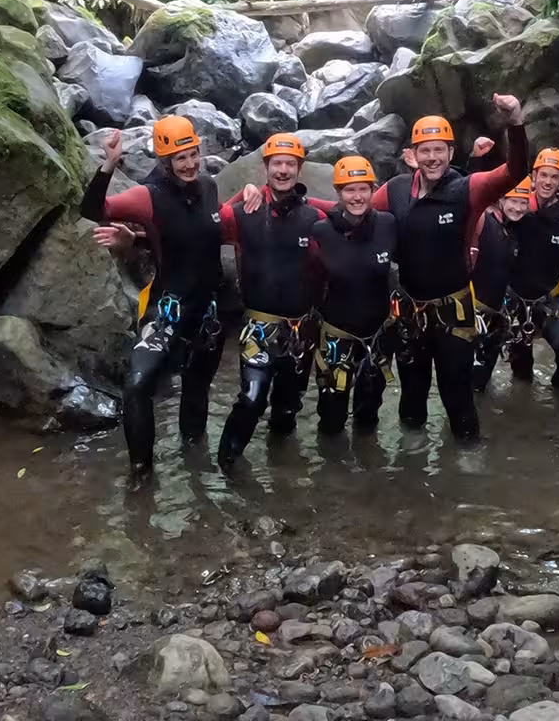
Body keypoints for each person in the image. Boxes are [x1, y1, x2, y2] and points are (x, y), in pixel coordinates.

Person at [375, 97, 529, 441]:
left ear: (450, 152)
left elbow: (515, 172)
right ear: (412, 155)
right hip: (411, 317)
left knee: (457, 398)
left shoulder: (465, 190)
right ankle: (410, 471)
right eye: (425, 150)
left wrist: (515, 122)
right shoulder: (396, 191)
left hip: (452, 317)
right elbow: (354, 213)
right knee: (411, 403)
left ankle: (465, 474)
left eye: (440, 150)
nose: (433, 158)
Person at [80, 117, 225, 474]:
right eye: (180, 158)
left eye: (193, 154)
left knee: (197, 388)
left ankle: (196, 465)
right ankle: (141, 475)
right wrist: (109, 165)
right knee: (137, 385)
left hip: (207, 311)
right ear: (165, 162)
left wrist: (137, 241)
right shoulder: (148, 195)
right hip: (169, 308)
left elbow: (192, 236)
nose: (190, 164)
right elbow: (93, 211)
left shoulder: (209, 187)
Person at [215, 133, 331, 470]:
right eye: (276, 164)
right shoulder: (243, 212)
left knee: (287, 408)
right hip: (258, 327)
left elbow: (352, 222)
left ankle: (283, 474)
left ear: (299, 170)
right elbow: (198, 228)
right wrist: (134, 237)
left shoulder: (313, 219)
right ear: (265, 168)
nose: (283, 170)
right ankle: (227, 468)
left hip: (301, 330)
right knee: (251, 399)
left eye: (290, 164)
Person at [309, 156, 398, 434]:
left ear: (373, 190)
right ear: (338, 193)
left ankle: (369, 470)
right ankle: (332, 472)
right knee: (332, 416)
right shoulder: (321, 231)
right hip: (338, 336)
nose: (357, 197)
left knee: (369, 412)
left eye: (363, 189)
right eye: (349, 189)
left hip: (378, 336)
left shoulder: (388, 224)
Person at [501, 149, 559, 387]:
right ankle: (522, 409)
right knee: (518, 371)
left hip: (549, 300)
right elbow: (483, 198)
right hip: (514, 300)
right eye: (543, 175)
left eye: (554, 177)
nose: (548, 182)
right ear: (533, 176)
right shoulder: (517, 208)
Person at [468, 181, 530, 392]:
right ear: (502, 199)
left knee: (480, 383)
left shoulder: (513, 228)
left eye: (523, 203)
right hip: (472, 314)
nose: (518, 208)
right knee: (467, 382)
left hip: (495, 316)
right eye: (514, 201)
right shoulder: (483, 221)